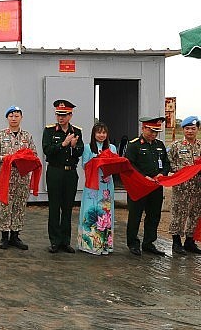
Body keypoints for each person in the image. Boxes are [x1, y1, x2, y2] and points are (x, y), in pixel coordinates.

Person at [0, 106, 37, 250]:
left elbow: (33, 154)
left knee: (19, 206)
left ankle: (15, 236)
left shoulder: (27, 136)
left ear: (21, 117)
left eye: (16, 116)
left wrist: (24, 159)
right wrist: (5, 158)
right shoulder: (0, 135)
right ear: (7, 118)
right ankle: (4, 236)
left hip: (22, 177)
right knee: (5, 206)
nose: (14, 118)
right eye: (11, 116)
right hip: (6, 177)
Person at [42, 99, 84, 254]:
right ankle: (54, 241)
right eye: (58, 115)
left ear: (70, 115)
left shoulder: (77, 131)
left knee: (67, 208)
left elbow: (80, 151)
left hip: (70, 173)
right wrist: (64, 144)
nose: (61, 118)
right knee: (54, 207)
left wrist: (74, 146)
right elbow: (47, 150)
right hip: (55, 171)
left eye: (64, 115)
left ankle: (65, 241)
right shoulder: (49, 130)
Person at [125, 116, 170, 256]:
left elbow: (166, 163)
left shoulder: (160, 145)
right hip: (139, 186)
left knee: (154, 215)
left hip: (156, 186)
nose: (154, 134)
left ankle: (149, 243)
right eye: (151, 131)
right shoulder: (134, 144)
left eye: (156, 131)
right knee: (135, 215)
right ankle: (133, 243)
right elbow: (129, 165)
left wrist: (162, 174)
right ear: (143, 128)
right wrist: (144, 177)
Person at [77, 122, 117, 255]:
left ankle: (105, 245)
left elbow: (116, 164)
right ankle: (90, 244)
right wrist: (98, 161)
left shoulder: (112, 148)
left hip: (107, 185)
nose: (101, 135)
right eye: (98, 132)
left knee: (106, 212)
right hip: (93, 186)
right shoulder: (88, 148)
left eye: (104, 132)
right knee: (91, 211)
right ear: (94, 134)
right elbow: (85, 165)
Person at [167, 116, 201, 255]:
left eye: (193, 128)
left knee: (195, 214)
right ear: (183, 130)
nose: (190, 131)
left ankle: (189, 241)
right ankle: (176, 242)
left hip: (197, 187)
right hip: (181, 187)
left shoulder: (200, 145)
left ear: (197, 129)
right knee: (178, 214)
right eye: (187, 128)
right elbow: (168, 162)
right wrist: (179, 170)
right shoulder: (176, 145)